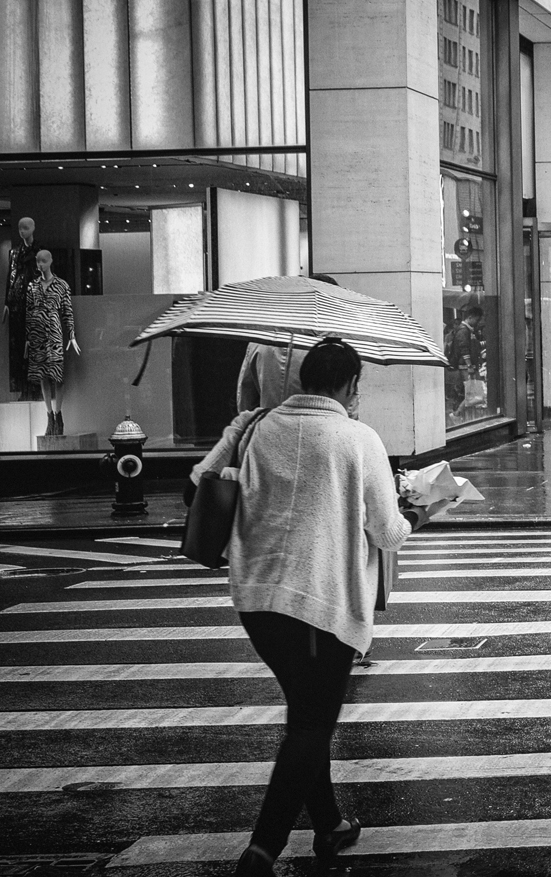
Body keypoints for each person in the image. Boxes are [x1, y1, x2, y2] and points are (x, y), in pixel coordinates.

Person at [189, 339, 446, 874]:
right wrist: (427, 510)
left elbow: (203, 479)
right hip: (319, 603)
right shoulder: (358, 438)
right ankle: (261, 851)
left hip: (257, 600)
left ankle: (328, 825)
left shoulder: (255, 424)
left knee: (307, 713)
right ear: (351, 385)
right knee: (310, 725)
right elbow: (388, 532)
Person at [238, 274, 343, 412]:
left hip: (269, 427)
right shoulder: (331, 348)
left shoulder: (260, 340)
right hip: (319, 429)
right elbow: (347, 404)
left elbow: (245, 400)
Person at [24, 249, 78, 435]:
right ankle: (49, 415)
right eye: (38, 261)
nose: (40, 265)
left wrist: (71, 335)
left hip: (54, 333)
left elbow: (68, 312)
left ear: (51, 261)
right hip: (38, 335)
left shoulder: (62, 286)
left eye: (44, 261)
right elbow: (29, 312)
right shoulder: (32, 286)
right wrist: (28, 338)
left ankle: (58, 413)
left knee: (57, 375)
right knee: (43, 376)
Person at [1, 215, 39, 399]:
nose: (22, 231)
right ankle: (24, 387)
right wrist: (8, 302)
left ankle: (35, 387)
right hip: (17, 305)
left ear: (32, 228)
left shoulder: (39, 251)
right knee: (18, 347)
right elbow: (11, 276)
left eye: (25, 228)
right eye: (19, 228)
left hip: (33, 305)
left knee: (33, 344)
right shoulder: (14, 253)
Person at [444, 303, 485, 420]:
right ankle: (457, 414)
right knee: (472, 393)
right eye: (477, 319)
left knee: (472, 392)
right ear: (471, 317)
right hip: (466, 367)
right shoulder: (464, 331)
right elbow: (464, 349)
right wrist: (469, 365)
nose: (478, 322)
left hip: (467, 366)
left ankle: (460, 415)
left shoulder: (467, 330)